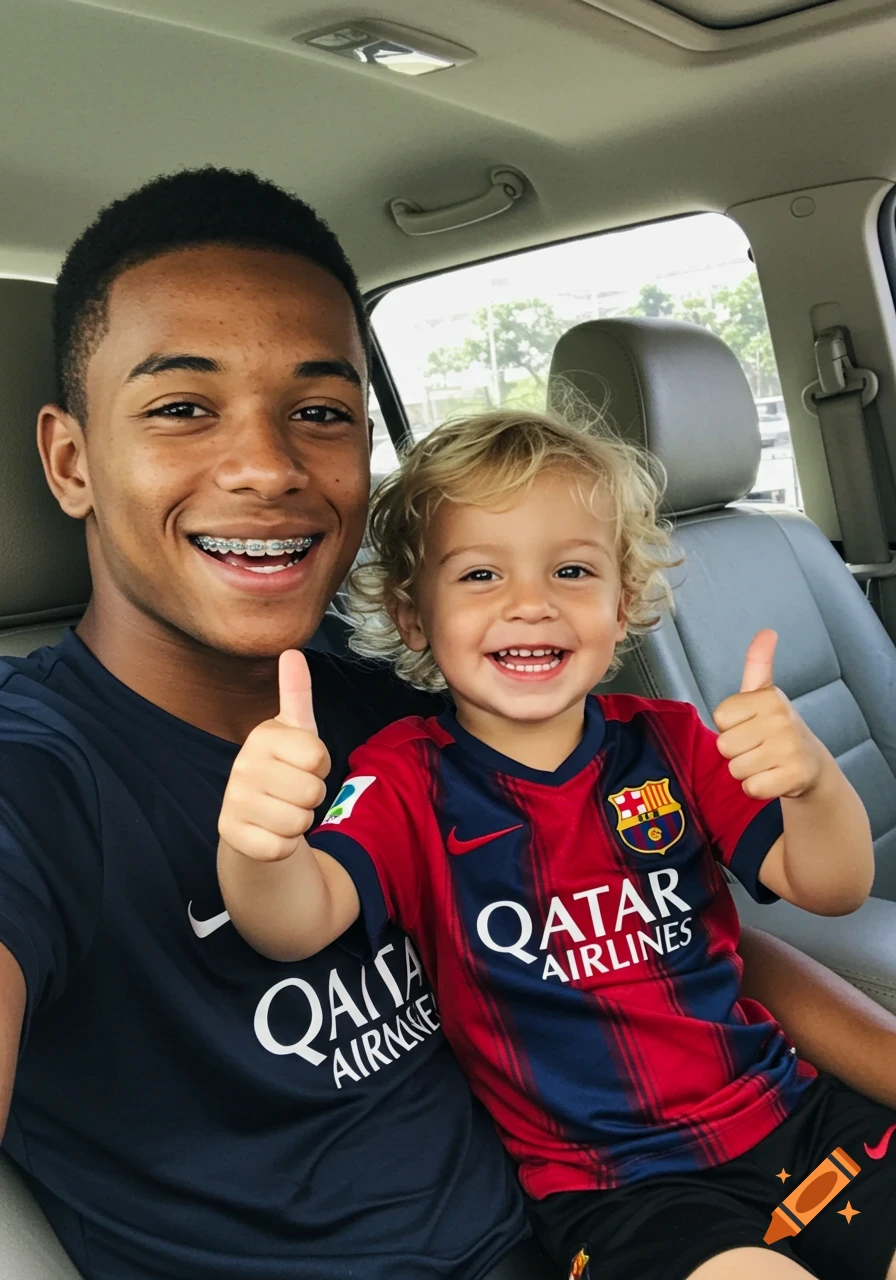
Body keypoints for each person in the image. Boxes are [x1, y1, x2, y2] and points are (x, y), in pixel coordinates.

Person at [0, 167, 893, 1280]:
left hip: (694, 1170)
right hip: (629, 1227)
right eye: (183, 406)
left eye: (320, 412)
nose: (267, 466)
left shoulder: (410, 703)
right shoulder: (33, 776)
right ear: (71, 459)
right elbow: (290, 911)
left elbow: (681, 937)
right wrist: (254, 851)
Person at [217, 407, 896, 1280]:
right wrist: (259, 846)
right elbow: (297, 923)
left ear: (622, 606)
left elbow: (831, 885)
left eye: (572, 570)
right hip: (622, 1189)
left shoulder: (673, 743)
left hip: (792, 1111)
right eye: (480, 576)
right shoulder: (404, 777)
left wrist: (811, 783)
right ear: (413, 616)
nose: (531, 602)